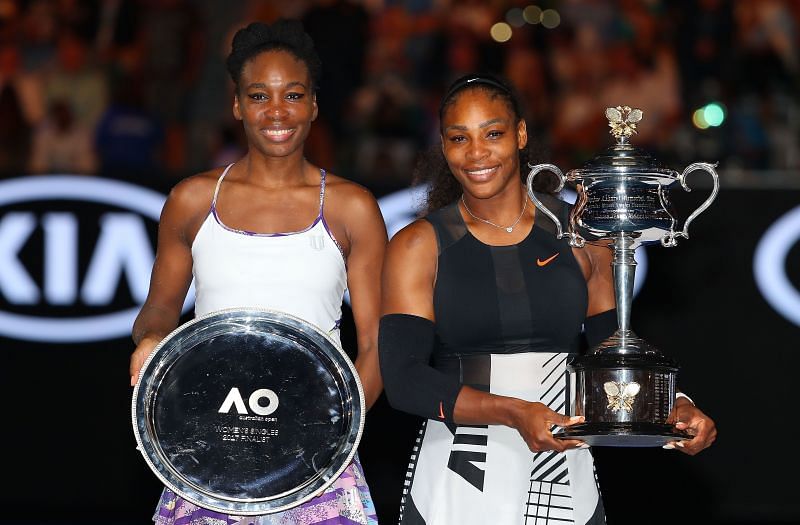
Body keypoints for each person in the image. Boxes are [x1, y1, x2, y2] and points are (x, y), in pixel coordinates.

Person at [378, 74, 717, 525]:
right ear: (444, 146)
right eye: (460, 138)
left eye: (493, 134)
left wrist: (672, 406)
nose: (476, 153)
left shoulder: (581, 233)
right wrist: (513, 411)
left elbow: (610, 350)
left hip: (563, 469)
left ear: (520, 135)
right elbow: (403, 380)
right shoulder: (417, 245)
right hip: (460, 474)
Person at [129, 20, 385, 525]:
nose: (277, 112)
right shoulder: (191, 200)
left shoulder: (351, 207)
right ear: (238, 106)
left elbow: (378, 343)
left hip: (317, 463)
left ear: (313, 104)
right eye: (259, 95)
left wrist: (327, 432)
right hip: (210, 455)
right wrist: (152, 339)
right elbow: (158, 308)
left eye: (292, 94)